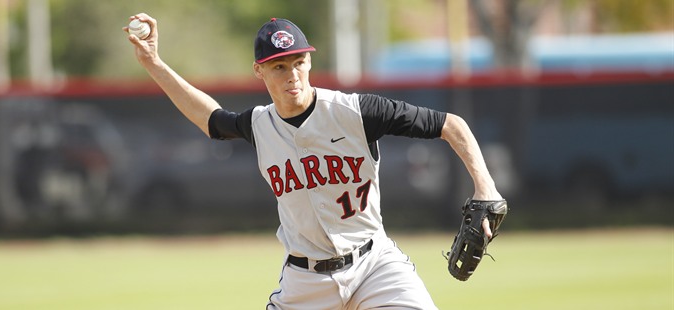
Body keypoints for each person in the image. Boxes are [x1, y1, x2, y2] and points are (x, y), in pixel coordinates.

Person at [125, 13, 503, 310]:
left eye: (298, 62)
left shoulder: (355, 111)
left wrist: (485, 187)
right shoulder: (259, 125)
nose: (293, 75)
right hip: (305, 283)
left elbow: (452, 126)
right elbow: (210, 118)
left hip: (374, 265)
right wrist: (154, 63)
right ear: (259, 71)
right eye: (279, 67)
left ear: (309, 61)